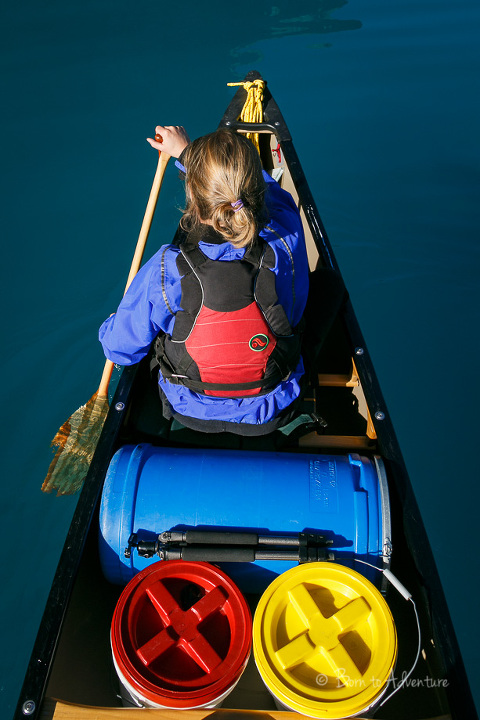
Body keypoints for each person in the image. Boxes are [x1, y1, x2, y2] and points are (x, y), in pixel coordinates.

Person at [99, 125, 309, 435]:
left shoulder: (166, 268)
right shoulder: (285, 235)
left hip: (190, 408)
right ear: (255, 193)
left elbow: (119, 349)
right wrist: (188, 156)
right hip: (272, 405)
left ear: (194, 205)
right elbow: (276, 198)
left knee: (159, 323)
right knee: (326, 286)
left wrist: (114, 323)